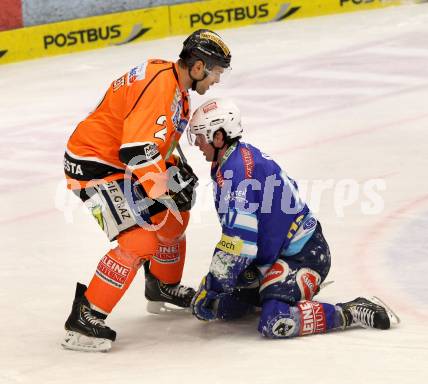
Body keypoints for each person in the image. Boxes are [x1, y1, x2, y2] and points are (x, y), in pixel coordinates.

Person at [61, 29, 232, 352]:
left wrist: (171, 169)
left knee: (175, 218)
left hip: (119, 162)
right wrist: (162, 188)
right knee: (139, 241)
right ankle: (85, 316)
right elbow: (135, 151)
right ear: (197, 67)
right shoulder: (161, 87)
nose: (216, 80)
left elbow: (152, 141)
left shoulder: (174, 84)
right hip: (93, 167)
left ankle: (162, 287)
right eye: (215, 72)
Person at [189, 98, 399, 338]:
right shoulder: (231, 161)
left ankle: (349, 312)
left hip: (304, 256)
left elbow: (239, 245)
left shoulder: (237, 173)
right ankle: (270, 290)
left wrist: (212, 284)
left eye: (200, 136)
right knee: (226, 307)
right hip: (274, 256)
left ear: (219, 137)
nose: (197, 143)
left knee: (275, 321)